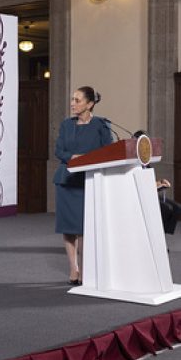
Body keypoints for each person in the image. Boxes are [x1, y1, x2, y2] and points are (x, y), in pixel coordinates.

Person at [53, 86, 112, 285]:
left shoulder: (101, 125)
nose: (72, 104)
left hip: (90, 181)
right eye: (72, 99)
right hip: (67, 180)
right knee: (68, 228)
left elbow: (109, 151)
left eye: (77, 100)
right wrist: (72, 157)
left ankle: (87, 270)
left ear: (90, 104)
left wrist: (89, 160)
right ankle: (73, 269)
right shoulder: (66, 125)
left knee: (86, 228)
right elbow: (59, 151)